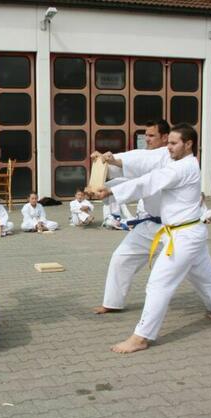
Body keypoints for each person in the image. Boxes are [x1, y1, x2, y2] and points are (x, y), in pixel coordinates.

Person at [89, 123, 211, 353]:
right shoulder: (177, 162)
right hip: (184, 232)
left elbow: (151, 181)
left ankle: (141, 337)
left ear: (188, 144)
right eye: (168, 142)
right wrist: (111, 164)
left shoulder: (183, 168)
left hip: (183, 236)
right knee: (208, 275)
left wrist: (112, 190)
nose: (168, 147)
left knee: (159, 284)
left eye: (173, 143)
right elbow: (143, 166)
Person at [91, 119, 171, 315]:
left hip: (176, 229)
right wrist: (103, 166)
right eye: (146, 135)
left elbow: (139, 166)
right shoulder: (148, 158)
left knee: (199, 271)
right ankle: (112, 302)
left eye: (152, 135)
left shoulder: (168, 158)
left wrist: (115, 160)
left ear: (165, 137)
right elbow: (131, 175)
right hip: (151, 223)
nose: (147, 139)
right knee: (121, 258)